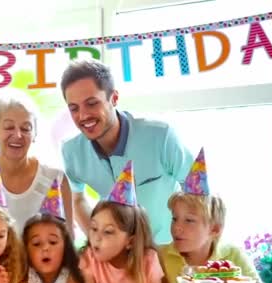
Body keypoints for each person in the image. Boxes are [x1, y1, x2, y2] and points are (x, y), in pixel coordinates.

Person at [60, 59, 193, 244]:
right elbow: (77, 198)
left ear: (114, 98)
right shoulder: (71, 152)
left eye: (91, 103)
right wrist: (97, 239)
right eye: (74, 108)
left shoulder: (161, 136)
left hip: (169, 252)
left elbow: (197, 192)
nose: (82, 116)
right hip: (119, 259)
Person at [160, 148, 272, 283]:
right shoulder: (160, 256)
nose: (177, 228)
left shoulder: (232, 255)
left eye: (189, 220)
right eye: (175, 219)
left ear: (215, 229)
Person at [0, 92, 72, 237]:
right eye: (9, 127)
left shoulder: (56, 179)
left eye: (26, 128)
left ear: (35, 134)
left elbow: (68, 242)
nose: (18, 135)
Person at [79, 161, 164, 283]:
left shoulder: (149, 259)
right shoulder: (89, 259)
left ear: (130, 241)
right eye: (94, 228)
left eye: (108, 232)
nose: (97, 238)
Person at [22, 179, 87, 283]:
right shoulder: (25, 273)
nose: (45, 248)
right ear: (26, 249)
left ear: (66, 246)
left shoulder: (68, 275)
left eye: (52, 242)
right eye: (36, 244)